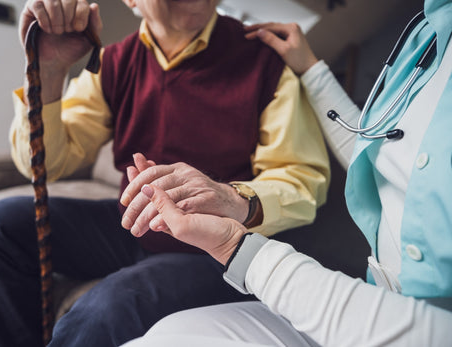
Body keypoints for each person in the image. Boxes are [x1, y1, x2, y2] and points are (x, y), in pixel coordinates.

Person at [0, 0, 331, 346]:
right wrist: (49, 72)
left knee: (105, 311)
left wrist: (231, 199)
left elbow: (302, 181)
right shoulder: (113, 62)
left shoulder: (265, 60)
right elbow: (44, 164)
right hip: (135, 225)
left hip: (215, 250)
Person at [122, 0, 452, 345]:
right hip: (375, 295)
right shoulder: (429, 28)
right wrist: (312, 69)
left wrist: (235, 243)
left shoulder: (259, 65)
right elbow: (376, 152)